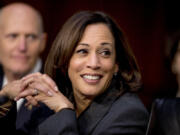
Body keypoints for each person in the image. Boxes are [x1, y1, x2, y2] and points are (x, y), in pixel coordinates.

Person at [15, 11, 149, 135]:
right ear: (65, 59)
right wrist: (5, 100)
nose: (94, 63)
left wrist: (63, 110)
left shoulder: (129, 114)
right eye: (82, 51)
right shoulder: (53, 100)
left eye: (105, 53)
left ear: (116, 65)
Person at [0, 2, 53, 135]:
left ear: (43, 42)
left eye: (31, 37)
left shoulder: (60, 89)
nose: (22, 47)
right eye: (13, 36)